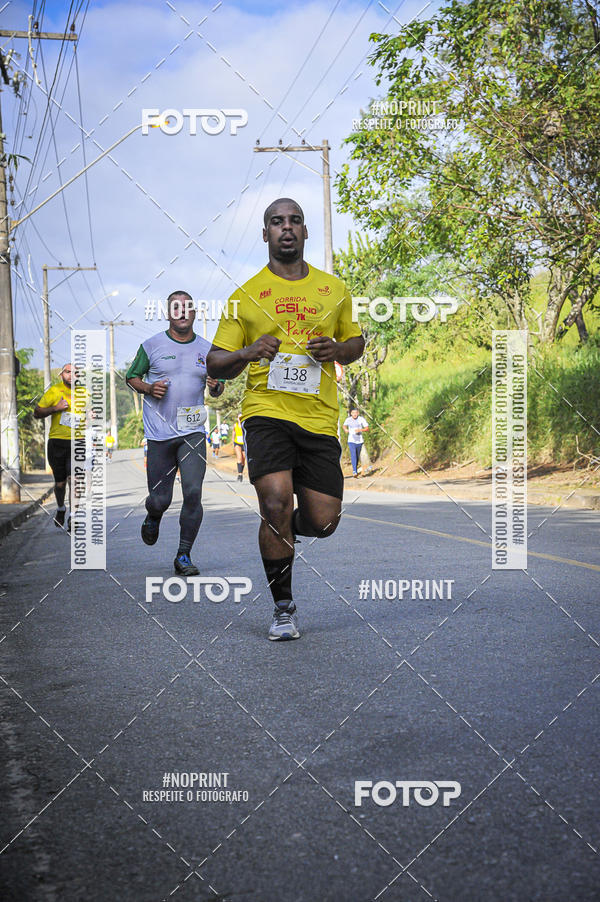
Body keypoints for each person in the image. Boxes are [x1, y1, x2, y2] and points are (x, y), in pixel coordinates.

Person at [207, 197, 364, 640]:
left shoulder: (334, 290)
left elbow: (356, 343)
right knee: (275, 498)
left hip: (317, 419)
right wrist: (247, 352)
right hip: (266, 412)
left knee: (324, 522)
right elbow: (216, 362)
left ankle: (286, 530)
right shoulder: (246, 296)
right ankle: (283, 607)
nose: (287, 228)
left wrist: (338, 351)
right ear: (265, 234)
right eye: (277, 222)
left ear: (305, 232)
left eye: (295, 220)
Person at [126, 290, 224, 575]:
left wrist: (216, 386)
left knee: (193, 492)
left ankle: (184, 554)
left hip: (193, 432)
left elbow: (217, 389)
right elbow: (132, 376)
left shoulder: (208, 349)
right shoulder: (152, 345)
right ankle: (153, 514)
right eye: (176, 308)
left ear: (194, 313)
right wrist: (147, 388)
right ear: (168, 313)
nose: (182, 312)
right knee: (161, 499)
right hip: (160, 434)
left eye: (187, 307)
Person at [34, 363, 77, 532]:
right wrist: (55, 408)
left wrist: (91, 415)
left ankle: (74, 516)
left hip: (77, 442)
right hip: (57, 442)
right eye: (68, 372)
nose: (72, 375)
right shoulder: (54, 391)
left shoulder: (85, 394)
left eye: (75, 372)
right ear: (61, 375)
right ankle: (61, 509)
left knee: (74, 481)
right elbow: (37, 413)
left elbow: (91, 413)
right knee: (60, 483)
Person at [343, 408, 369, 477]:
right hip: (351, 440)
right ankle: (354, 471)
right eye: (353, 413)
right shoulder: (348, 420)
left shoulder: (361, 419)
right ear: (351, 413)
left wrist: (360, 430)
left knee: (357, 456)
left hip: (359, 440)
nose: (354, 414)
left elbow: (367, 428)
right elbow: (344, 425)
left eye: (356, 413)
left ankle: (356, 469)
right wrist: (345, 429)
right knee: (353, 455)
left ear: (358, 413)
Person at [233, 413, 245, 482]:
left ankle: (241, 473)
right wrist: (232, 440)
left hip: (243, 444)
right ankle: (239, 474)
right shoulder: (235, 425)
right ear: (237, 418)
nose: (240, 419)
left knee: (243, 460)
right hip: (237, 443)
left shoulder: (245, 425)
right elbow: (234, 432)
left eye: (241, 418)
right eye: (238, 418)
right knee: (239, 458)